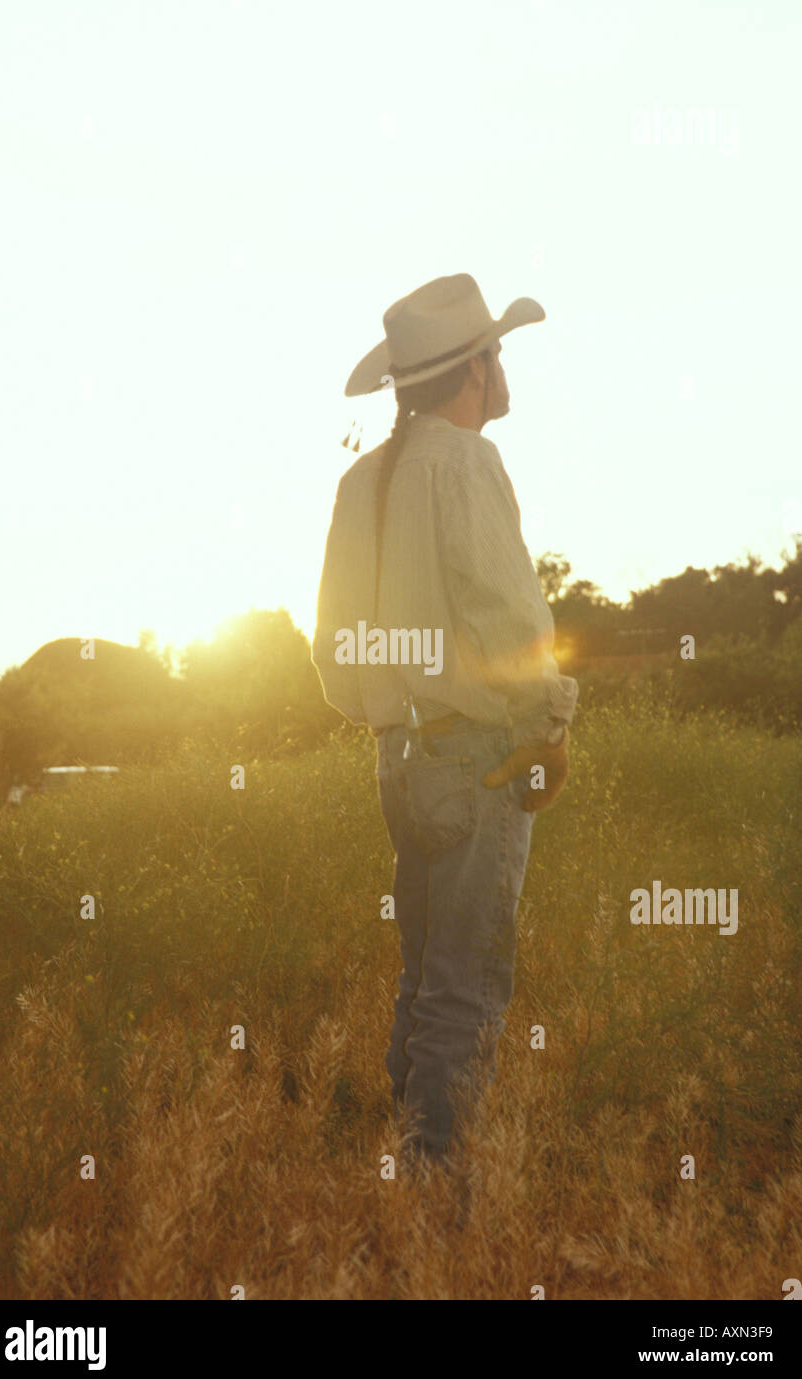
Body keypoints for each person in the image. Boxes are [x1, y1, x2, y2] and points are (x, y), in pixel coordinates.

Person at [311, 273, 579, 1165]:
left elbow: (337, 657)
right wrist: (549, 723)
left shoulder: (363, 481)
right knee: (468, 990)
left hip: (399, 759)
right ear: (474, 366)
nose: (503, 370)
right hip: (478, 759)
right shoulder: (467, 462)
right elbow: (510, 621)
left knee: (424, 982)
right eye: (495, 353)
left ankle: (405, 1175)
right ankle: (437, 1203)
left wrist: (391, 719)